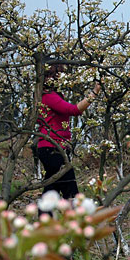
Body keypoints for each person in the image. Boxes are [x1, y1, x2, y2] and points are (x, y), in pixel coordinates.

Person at [37, 63, 101, 205]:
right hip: (53, 148)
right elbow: (74, 110)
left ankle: (44, 221)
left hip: (51, 147)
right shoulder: (49, 97)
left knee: (51, 189)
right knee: (70, 189)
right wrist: (94, 93)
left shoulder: (48, 96)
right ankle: (78, 222)